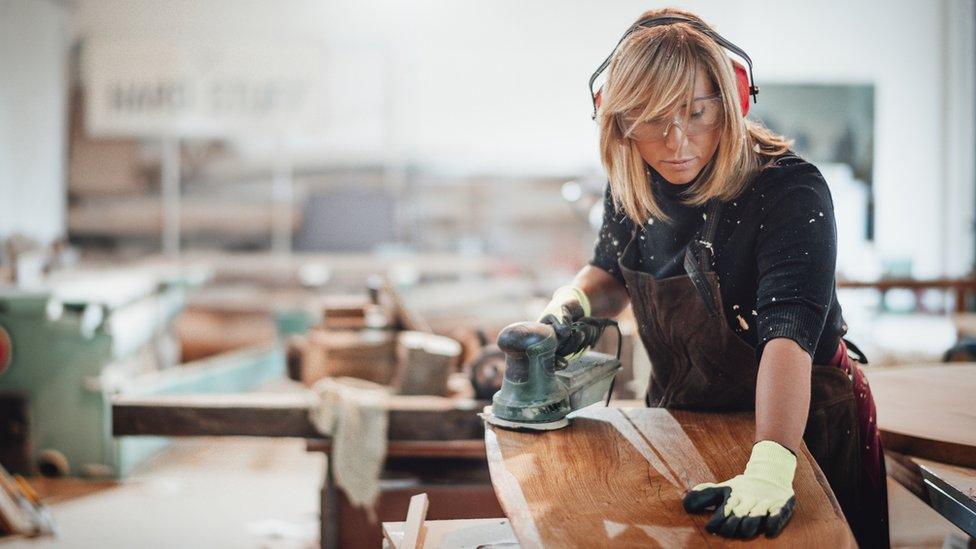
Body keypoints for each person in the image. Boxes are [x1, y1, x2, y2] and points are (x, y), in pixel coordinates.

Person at [539, 7, 888, 546]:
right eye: (654, 119)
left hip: (801, 430)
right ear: (621, 121)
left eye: (697, 113)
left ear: (732, 101)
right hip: (687, 419)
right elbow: (610, 273)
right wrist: (571, 306)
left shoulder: (790, 191)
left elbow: (788, 336)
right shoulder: (634, 183)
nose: (677, 141)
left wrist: (772, 465)